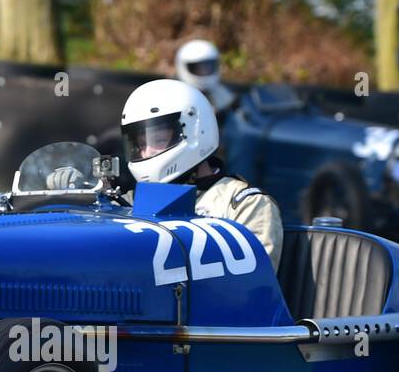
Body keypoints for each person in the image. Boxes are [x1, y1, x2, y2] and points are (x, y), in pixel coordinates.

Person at [111, 79, 283, 275]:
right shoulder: (128, 204)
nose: (146, 152)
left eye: (157, 140)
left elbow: (252, 287)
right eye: (141, 145)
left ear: (194, 131)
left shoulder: (244, 204)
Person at [175, 39, 237, 114]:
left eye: (208, 67)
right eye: (198, 68)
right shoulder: (175, 97)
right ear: (183, 67)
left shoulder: (225, 95)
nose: (204, 72)